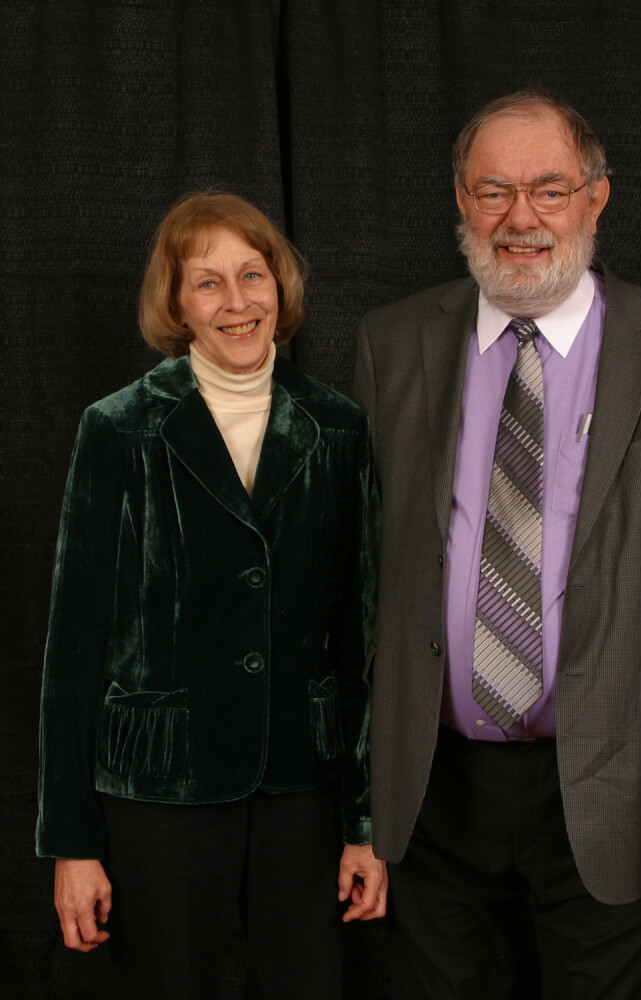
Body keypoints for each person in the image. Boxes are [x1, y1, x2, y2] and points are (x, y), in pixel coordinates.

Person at [353, 90, 641, 999]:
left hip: (618, 774)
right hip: (430, 779)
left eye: (549, 189)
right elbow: (362, 578)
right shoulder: (392, 345)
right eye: (494, 190)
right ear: (462, 202)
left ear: (597, 197)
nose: (521, 218)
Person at [37, 191, 387, 1000]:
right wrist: (72, 844)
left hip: (303, 781)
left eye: (253, 275)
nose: (237, 303)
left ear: (282, 288)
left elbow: (362, 633)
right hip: (161, 784)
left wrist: (365, 827)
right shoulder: (118, 430)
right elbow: (72, 649)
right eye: (208, 283)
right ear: (176, 304)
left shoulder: (338, 429)